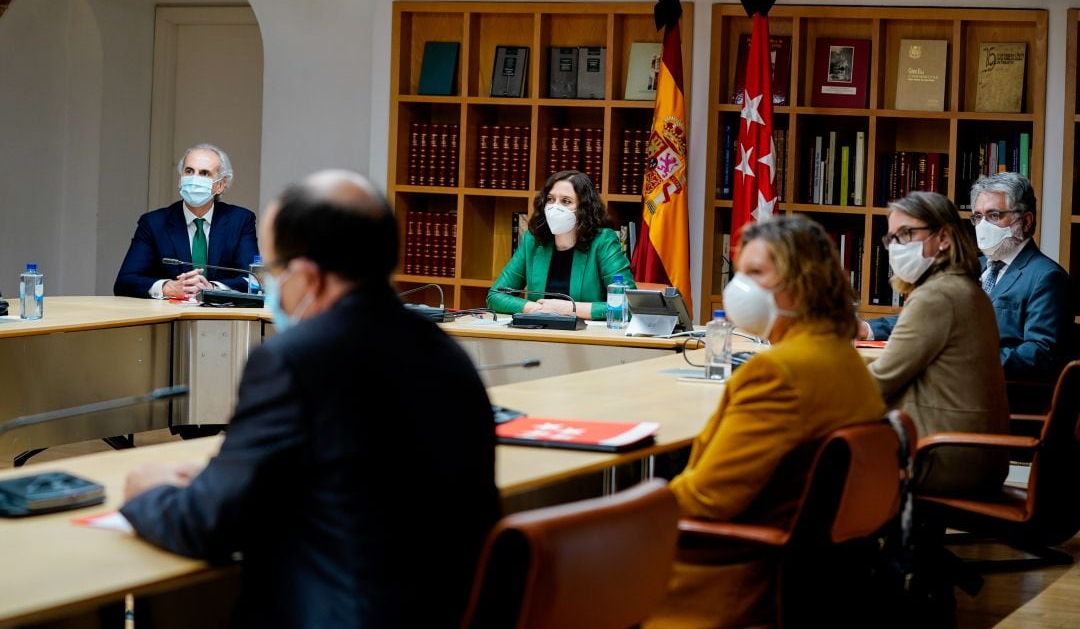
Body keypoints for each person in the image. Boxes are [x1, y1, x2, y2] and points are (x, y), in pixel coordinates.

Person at [120, 170, 499, 628]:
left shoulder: (292, 360)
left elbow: (208, 525)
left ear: (304, 276)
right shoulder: (446, 352)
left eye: (273, 271)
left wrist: (148, 492)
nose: (273, 284)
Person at [645, 216, 885, 629]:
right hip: (816, 578)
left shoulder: (777, 372)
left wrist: (624, 518)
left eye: (756, 273)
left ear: (803, 281)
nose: (740, 287)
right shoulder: (846, 360)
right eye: (739, 273)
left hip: (724, 576)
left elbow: (708, 500)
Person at [860, 173, 1072, 385]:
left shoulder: (1047, 277)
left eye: (994, 216)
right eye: (977, 217)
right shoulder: (972, 266)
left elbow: (1040, 355)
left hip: (1005, 393)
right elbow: (925, 318)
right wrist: (867, 330)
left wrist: (960, 362)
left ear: (1025, 222)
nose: (982, 225)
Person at [868, 191, 1009, 497]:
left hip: (944, 458)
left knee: (817, 451)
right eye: (891, 238)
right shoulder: (965, 288)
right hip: (975, 455)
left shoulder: (938, 296)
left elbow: (878, 382)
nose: (896, 247)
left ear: (943, 237)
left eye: (907, 233)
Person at [114, 143, 259, 299]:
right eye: (189, 171)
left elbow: (253, 281)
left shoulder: (240, 221)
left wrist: (211, 288)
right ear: (180, 180)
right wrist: (167, 287)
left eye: (204, 173)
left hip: (222, 319)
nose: (194, 179)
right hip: (170, 318)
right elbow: (125, 281)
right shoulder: (153, 223)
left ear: (220, 185)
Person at [487, 169, 635, 319]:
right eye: (550, 199)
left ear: (584, 209)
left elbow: (629, 305)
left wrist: (571, 308)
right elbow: (495, 296)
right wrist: (535, 308)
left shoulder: (603, 241)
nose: (554, 207)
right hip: (539, 332)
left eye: (566, 201)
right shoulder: (532, 240)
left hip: (586, 338)